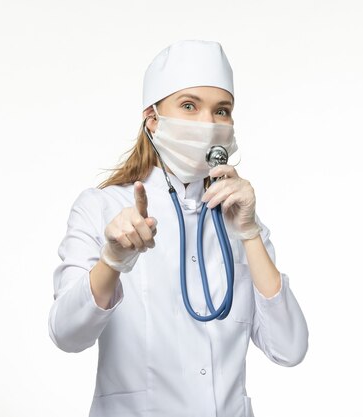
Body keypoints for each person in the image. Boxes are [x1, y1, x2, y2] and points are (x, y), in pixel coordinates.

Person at [48, 40, 308, 417]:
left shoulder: (242, 220)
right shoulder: (102, 207)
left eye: (222, 111)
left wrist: (250, 234)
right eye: (189, 106)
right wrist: (112, 260)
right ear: (152, 118)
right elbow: (66, 335)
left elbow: (290, 348)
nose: (208, 123)